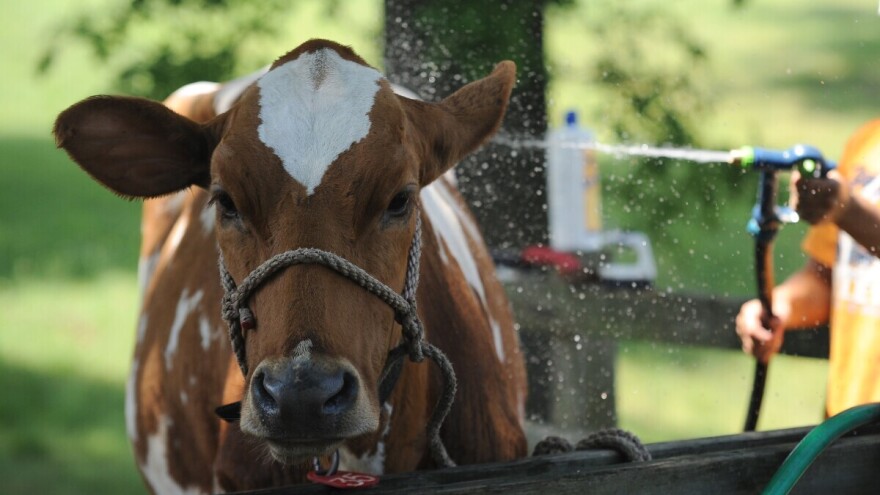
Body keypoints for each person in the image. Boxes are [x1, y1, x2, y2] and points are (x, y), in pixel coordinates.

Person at [735, 119, 880, 416]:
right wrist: (780, 307)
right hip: (846, 421)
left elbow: (845, 208)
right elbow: (826, 278)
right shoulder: (869, 142)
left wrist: (847, 208)